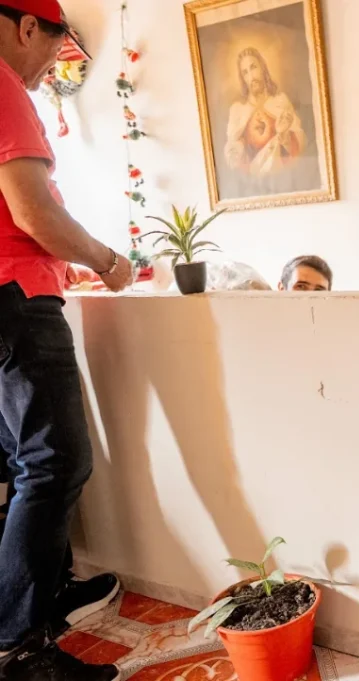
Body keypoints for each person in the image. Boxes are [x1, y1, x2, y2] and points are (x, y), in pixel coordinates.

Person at [0, 1, 133, 679]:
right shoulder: (2, 84)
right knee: (54, 464)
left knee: (24, 462)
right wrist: (106, 261)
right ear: (28, 27)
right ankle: (19, 648)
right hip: (15, 300)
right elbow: (33, 211)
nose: (49, 71)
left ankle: (43, 599)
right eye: (54, 55)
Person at [223, 46, 306, 177]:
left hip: (282, 177)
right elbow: (233, 158)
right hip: (253, 183)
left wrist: (284, 135)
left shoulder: (280, 101)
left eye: (253, 67)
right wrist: (237, 150)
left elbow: (300, 145)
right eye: (245, 72)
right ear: (243, 78)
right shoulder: (237, 111)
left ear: (262, 68)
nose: (251, 77)